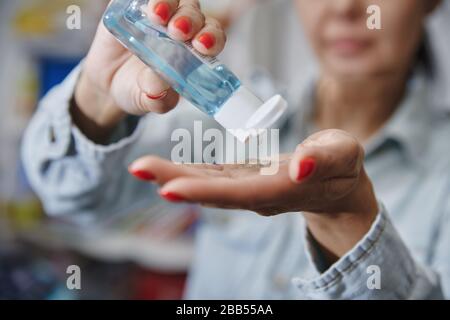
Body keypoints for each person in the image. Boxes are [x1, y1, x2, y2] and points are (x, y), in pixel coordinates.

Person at [22, 0, 450, 299]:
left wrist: (349, 220)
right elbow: (70, 198)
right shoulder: (221, 123)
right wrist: (98, 99)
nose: (345, 8)